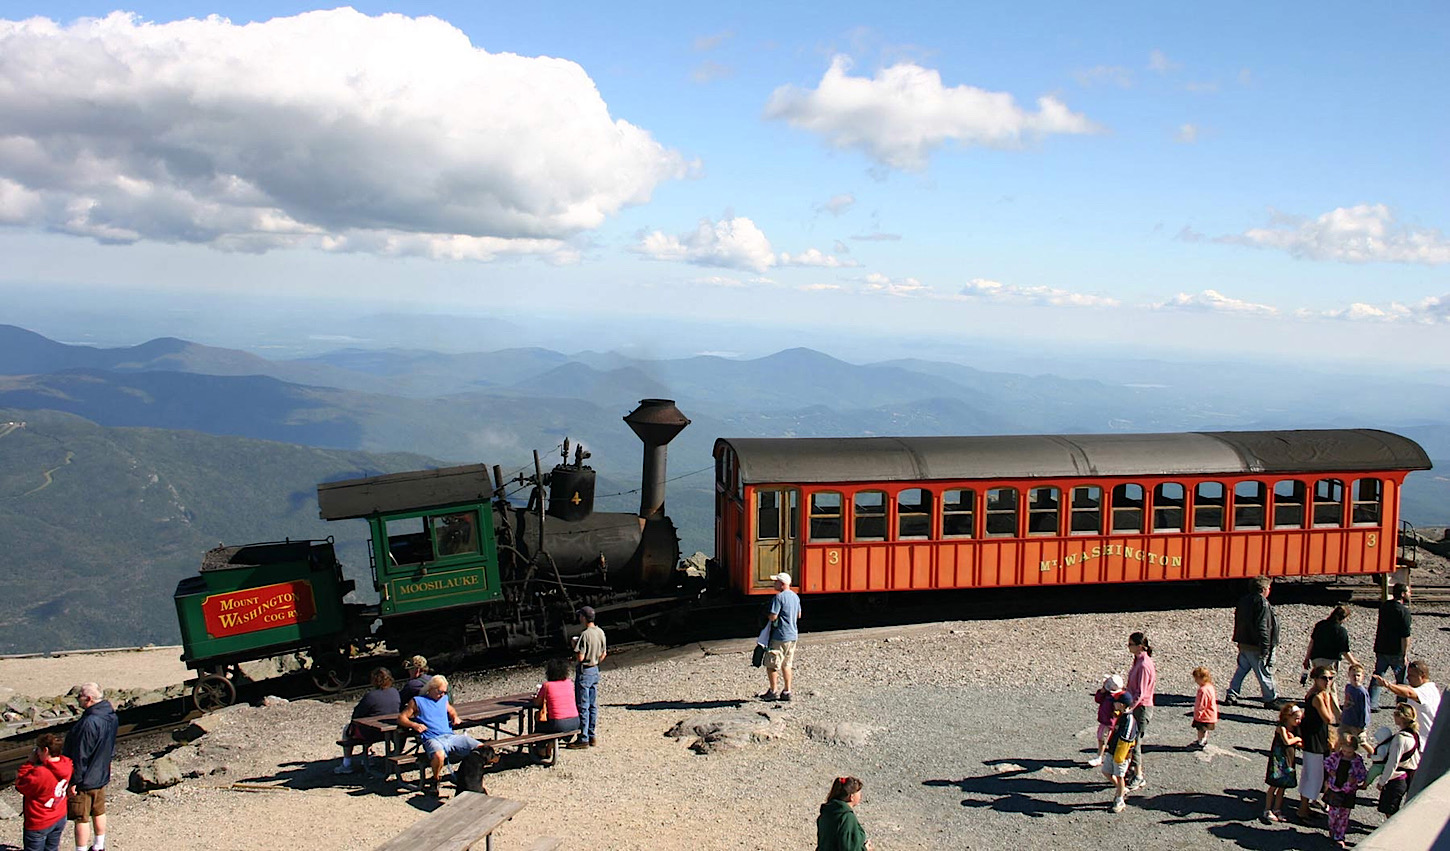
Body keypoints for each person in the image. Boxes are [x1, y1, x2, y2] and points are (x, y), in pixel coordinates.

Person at [398, 674, 480, 792]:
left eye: (444, 692)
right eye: (440, 692)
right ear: (431, 688)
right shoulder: (417, 701)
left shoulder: (443, 699)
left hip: (449, 736)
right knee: (439, 755)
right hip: (432, 737)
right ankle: (435, 780)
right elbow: (401, 718)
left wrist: (455, 717)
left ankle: (465, 775)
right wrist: (414, 725)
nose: (442, 695)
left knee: (480, 747)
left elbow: (451, 709)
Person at [61, 683, 117, 851]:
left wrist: (74, 781)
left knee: (81, 817)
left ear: (89, 699)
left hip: (85, 778)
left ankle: (81, 849)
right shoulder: (111, 716)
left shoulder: (88, 723)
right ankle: (99, 846)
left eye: (80, 697)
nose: (78, 700)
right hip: (101, 773)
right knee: (99, 811)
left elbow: (80, 755)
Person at [335, 667, 402, 774]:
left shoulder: (370, 696)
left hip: (372, 734)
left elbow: (356, 715)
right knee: (369, 724)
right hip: (391, 732)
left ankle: (346, 764)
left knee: (348, 729)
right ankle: (368, 756)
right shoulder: (395, 692)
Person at [1226, 575, 1279, 708]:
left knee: (1242, 669)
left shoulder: (1244, 600)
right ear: (1263, 589)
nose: (1269, 590)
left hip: (1244, 642)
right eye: (1268, 588)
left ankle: (1232, 694)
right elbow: (1263, 627)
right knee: (1264, 671)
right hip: (1256, 645)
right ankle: (1270, 698)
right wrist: (1265, 647)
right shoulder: (1262, 603)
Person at [1296, 665, 1340, 822]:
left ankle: (1305, 806)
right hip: (1314, 738)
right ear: (1316, 679)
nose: (1327, 681)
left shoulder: (1318, 694)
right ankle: (1302, 810)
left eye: (1330, 678)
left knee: (1311, 773)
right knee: (1314, 774)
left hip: (1316, 737)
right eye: (1324, 678)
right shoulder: (1317, 697)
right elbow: (1328, 718)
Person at [17, 733, 73, 851]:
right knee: (52, 848)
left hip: (40, 819)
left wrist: (29, 763)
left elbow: (21, 785)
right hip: (59, 815)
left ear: (45, 750)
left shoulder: (41, 773)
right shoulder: (67, 763)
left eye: (38, 750)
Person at [568, 605, 606, 749]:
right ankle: (591, 735)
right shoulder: (600, 632)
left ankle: (583, 738)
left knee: (582, 706)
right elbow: (604, 654)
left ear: (583, 617)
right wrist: (595, 661)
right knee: (592, 705)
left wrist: (574, 645)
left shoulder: (585, 635)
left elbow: (580, 656)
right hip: (595, 669)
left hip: (585, 671)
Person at [760, 572, 801, 702]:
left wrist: (766, 617)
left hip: (780, 636)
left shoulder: (779, 598)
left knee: (772, 664)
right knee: (787, 664)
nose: (774, 583)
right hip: (792, 635)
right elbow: (799, 615)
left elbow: (773, 616)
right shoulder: (795, 597)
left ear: (782, 584)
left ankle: (773, 691)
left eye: (776, 581)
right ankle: (787, 691)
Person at [1322, 732, 1368, 848]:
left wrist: (1355, 779)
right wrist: (1331, 771)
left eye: (1349, 752)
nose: (1347, 754)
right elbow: (1326, 762)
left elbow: (1363, 774)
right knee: (1333, 813)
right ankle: (1332, 830)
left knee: (1344, 815)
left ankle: (1340, 836)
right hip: (1335, 788)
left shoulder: (1357, 760)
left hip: (1348, 791)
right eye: (1345, 751)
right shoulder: (1337, 756)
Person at [1373, 659, 1439, 740]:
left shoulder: (1426, 691)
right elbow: (1406, 688)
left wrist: (1388, 685)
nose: (1407, 678)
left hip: (1425, 741)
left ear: (1422, 676)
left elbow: (1409, 693)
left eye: (1411, 675)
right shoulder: (1428, 688)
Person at [1370, 584, 1411, 711]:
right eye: (1409, 592)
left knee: (1378, 675)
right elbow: (1405, 636)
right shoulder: (1404, 612)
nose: (1410, 594)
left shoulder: (1385, 606)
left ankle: (1372, 702)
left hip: (1382, 648)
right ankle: (1401, 704)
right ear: (1403, 594)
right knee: (1401, 679)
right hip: (1396, 651)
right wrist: (1404, 654)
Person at [1374, 703, 1420, 816]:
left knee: (1390, 811)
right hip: (1410, 775)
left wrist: (1382, 781)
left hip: (1397, 778)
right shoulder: (1414, 734)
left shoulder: (1400, 739)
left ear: (1401, 717)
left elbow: (1392, 762)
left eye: (1395, 714)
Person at [1124, 632, 1156, 792]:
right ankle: (1132, 770)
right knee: (1131, 740)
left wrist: (1129, 707)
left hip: (1141, 708)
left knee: (1135, 742)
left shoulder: (1144, 665)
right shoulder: (1138, 660)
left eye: (1130, 644)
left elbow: (1141, 692)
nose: (1128, 647)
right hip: (1137, 706)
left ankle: (1138, 775)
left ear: (1139, 646)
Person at [1262, 703, 1303, 824]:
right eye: (1296, 718)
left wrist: (1297, 740)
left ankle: (1277, 808)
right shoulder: (1282, 728)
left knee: (1282, 786)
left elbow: (1298, 743)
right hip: (1279, 760)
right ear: (1287, 717)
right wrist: (1297, 739)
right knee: (1274, 785)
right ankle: (1267, 809)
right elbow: (1286, 741)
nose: (1298, 721)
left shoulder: (1295, 729)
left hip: (1288, 759)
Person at [533, 657, 581, 760]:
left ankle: (541, 749)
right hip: (575, 722)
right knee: (552, 723)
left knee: (539, 719)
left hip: (558, 724)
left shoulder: (547, 686)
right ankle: (550, 746)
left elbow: (537, 703)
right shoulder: (569, 683)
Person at [1100, 694, 1139, 813]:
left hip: (1120, 754)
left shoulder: (1129, 720)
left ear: (1121, 704)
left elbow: (1127, 739)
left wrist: (1120, 757)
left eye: (1115, 702)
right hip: (1113, 751)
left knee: (1120, 776)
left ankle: (1119, 799)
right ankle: (1121, 789)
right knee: (1106, 771)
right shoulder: (1121, 715)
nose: (1113, 704)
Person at [1302, 605, 1359, 680]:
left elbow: (1312, 642)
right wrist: (1355, 663)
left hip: (1316, 659)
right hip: (1330, 662)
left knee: (1319, 683)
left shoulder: (1320, 625)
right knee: (1329, 685)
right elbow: (1344, 651)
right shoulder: (1341, 631)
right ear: (1343, 618)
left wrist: (1307, 658)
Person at [816, 775, 872, 851]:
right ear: (851, 797)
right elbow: (848, 848)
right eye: (859, 793)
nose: (861, 796)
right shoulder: (847, 817)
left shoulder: (828, 811)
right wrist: (865, 849)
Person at [1088, 674, 1127, 767]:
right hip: (1105, 721)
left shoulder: (1117, 697)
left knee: (1103, 739)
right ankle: (1104, 756)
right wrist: (1102, 691)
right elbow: (1098, 699)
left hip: (1109, 722)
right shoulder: (1107, 694)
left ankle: (1099, 757)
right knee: (1102, 738)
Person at [1340, 664, 1371, 740]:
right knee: (1341, 739)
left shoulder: (1362, 692)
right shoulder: (1348, 687)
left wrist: (1363, 725)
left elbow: (1365, 709)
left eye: (1358, 675)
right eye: (1353, 675)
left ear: (1362, 677)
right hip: (1346, 720)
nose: (1356, 678)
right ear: (1349, 675)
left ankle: (1372, 752)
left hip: (1356, 724)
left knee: (1359, 742)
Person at [1191, 666, 1218, 749]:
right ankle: (1204, 740)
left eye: (1196, 678)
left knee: (1200, 729)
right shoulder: (1210, 687)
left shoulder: (1203, 690)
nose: (1195, 681)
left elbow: (1202, 704)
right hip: (1210, 714)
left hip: (1204, 716)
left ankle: (1200, 742)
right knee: (1205, 729)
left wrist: (1198, 713)